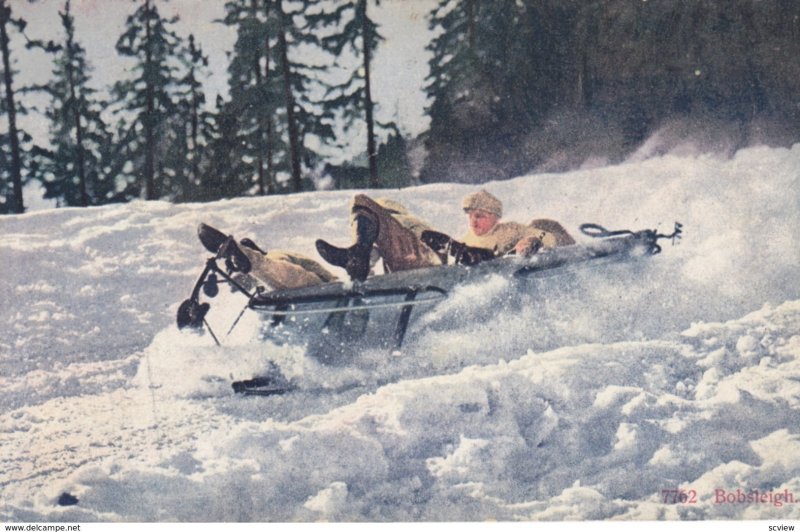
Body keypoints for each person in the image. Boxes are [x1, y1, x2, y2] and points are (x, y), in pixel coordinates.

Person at [315, 190, 574, 281]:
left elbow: (543, 232)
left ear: (495, 216)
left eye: (481, 215)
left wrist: (533, 241)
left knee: (362, 202)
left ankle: (356, 259)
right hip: (445, 276)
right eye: (471, 215)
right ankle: (358, 260)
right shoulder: (467, 237)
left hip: (498, 272)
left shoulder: (511, 229)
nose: (474, 220)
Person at [197, 223, 337, 291]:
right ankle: (245, 256)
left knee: (284, 275)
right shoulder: (267, 265)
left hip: (323, 284)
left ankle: (245, 256)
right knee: (271, 272)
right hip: (317, 287)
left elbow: (288, 273)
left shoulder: (276, 257)